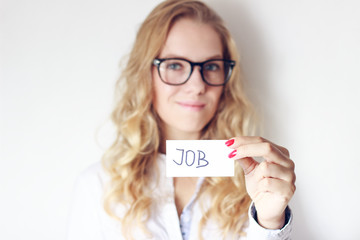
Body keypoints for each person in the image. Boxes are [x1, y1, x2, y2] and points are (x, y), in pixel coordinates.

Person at [67, 0, 296, 239]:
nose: (197, 85)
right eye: (175, 65)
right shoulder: (97, 187)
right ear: (145, 74)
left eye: (211, 66)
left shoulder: (259, 184)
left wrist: (269, 223)